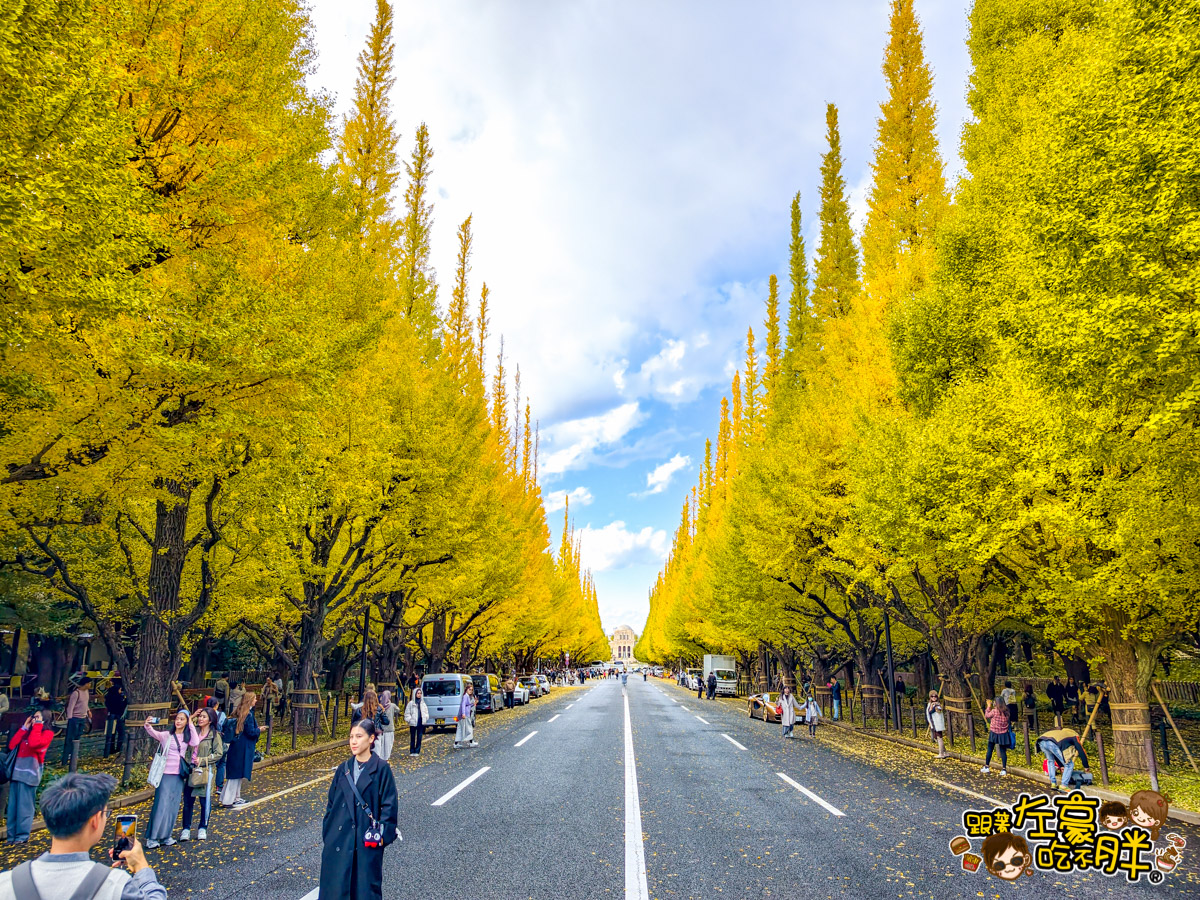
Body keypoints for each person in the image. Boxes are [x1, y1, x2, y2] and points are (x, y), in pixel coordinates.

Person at [0, 772, 168, 900]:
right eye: (105, 813)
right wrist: (141, 866)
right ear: (95, 820)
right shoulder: (115, 886)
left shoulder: (6, 884)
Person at [317, 720, 398, 900]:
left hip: (366, 842)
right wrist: (329, 833)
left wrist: (381, 838)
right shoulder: (343, 769)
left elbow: (389, 808)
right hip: (339, 841)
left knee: (364, 891)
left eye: (359, 736)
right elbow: (331, 804)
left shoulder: (381, 769)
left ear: (371, 739)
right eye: (351, 737)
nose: (353, 741)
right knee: (335, 891)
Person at [143, 708, 198, 848]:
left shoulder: (187, 737)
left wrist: (191, 722)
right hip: (165, 773)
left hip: (178, 774)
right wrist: (148, 724)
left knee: (173, 805)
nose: (178, 721)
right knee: (161, 804)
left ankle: (166, 835)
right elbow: (153, 732)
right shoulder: (167, 735)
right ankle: (153, 837)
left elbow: (196, 742)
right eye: (177, 718)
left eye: (182, 719)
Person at [5, 710, 54, 844]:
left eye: (38, 717)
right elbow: (11, 745)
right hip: (16, 774)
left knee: (25, 807)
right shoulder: (28, 732)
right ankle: (11, 836)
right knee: (13, 807)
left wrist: (37, 726)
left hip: (30, 774)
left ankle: (21, 836)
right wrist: (24, 727)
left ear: (45, 720)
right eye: (34, 717)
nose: (34, 719)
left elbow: (34, 744)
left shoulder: (47, 734)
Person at [181, 708, 223, 842]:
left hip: (205, 771)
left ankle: (202, 827)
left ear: (210, 720)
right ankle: (186, 829)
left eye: (204, 717)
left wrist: (204, 760)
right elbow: (184, 725)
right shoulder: (193, 731)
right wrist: (192, 716)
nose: (200, 719)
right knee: (188, 801)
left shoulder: (214, 735)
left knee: (205, 802)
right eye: (200, 717)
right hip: (191, 770)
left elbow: (219, 753)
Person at [220, 692, 260, 808]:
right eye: (255, 699)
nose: (256, 701)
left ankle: (233, 797)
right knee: (237, 774)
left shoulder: (238, 712)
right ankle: (229, 799)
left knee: (235, 774)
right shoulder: (249, 715)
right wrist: (259, 730)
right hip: (243, 747)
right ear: (250, 700)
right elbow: (251, 732)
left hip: (235, 745)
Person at [1036, 726, 1090, 791]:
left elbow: (1056, 754)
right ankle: (1064, 785)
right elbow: (1081, 750)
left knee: (1050, 761)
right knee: (1069, 764)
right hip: (1052, 743)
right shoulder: (1074, 735)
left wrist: (1061, 765)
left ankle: (1053, 783)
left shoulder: (1061, 734)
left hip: (1041, 741)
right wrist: (1086, 766)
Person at [60, 677, 91, 766]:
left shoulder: (86, 692)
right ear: (85, 684)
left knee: (77, 737)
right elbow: (71, 706)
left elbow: (85, 703)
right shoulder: (76, 693)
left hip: (82, 718)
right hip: (75, 718)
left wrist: (88, 711)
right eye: (89, 683)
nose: (90, 685)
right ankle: (65, 760)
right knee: (70, 739)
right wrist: (70, 719)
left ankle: (73, 757)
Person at [981, 698, 1012, 776]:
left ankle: (987, 766)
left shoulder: (994, 711)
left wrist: (988, 706)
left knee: (990, 749)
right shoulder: (1006, 711)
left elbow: (987, 715)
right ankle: (1004, 769)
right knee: (1003, 751)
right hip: (1003, 733)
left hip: (994, 732)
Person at [203, 697, 228, 793]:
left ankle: (206, 783)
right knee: (221, 763)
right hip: (219, 740)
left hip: (207, 740)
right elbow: (224, 726)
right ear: (216, 705)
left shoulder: (204, 714)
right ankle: (219, 786)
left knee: (209, 762)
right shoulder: (221, 715)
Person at [103, 678, 127, 758]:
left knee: (111, 734)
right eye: (120, 690)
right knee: (121, 732)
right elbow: (122, 706)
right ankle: (119, 748)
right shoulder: (119, 698)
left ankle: (110, 748)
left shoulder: (108, 697)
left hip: (111, 715)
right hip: (119, 716)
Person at [404, 688, 428, 756]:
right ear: (415, 694)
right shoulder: (411, 703)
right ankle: (412, 751)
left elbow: (426, 712)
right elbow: (407, 713)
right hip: (413, 723)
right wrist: (409, 719)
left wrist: (425, 718)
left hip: (420, 722)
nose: (419, 695)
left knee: (419, 737)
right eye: (418, 693)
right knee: (412, 737)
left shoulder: (423, 703)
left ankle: (417, 751)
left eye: (420, 693)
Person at [374, 691, 397, 761]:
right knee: (388, 746)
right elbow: (398, 710)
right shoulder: (392, 705)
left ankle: (380, 759)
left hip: (380, 729)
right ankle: (385, 759)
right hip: (389, 728)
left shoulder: (379, 706)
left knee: (380, 747)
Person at [454, 683, 477, 750]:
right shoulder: (465, 696)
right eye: (469, 689)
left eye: (471, 690)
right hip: (465, 715)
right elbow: (463, 705)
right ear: (466, 689)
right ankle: (471, 742)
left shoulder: (466, 696)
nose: (470, 691)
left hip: (463, 715)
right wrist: (463, 714)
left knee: (460, 729)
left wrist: (473, 704)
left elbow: (468, 705)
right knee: (469, 728)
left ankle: (456, 743)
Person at [925, 690, 947, 759]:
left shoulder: (937, 704)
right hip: (934, 723)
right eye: (932, 696)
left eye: (935, 696)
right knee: (937, 737)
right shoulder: (931, 704)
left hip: (937, 724)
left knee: (939, 737)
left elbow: (933, 711)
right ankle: (945, 752)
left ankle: (941, 753)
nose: (934, 698)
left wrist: (933, 706)